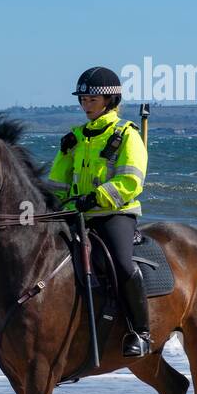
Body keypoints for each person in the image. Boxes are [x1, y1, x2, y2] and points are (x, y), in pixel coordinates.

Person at [49, 67, 152, 357]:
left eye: (91, 99)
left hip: (115, 213)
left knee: (121, 263)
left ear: (109, 100)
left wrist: (95, 198)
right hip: (76, 213)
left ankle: (141, 332)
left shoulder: (127, 135)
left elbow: (131, 181)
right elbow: (57, 181)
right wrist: (50, 205)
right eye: (82, 99)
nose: (85, 104)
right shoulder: (74, 138)